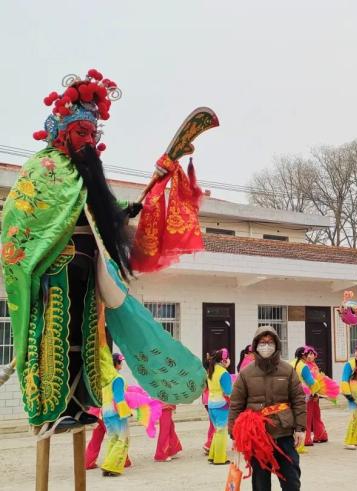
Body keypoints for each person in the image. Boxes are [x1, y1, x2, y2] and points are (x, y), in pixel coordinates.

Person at [0, 68, 205, 434]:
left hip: (90, 266)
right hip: (54, 266)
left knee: (87, 335)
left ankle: (81, 405)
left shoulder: (86, 174)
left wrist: (121, 215)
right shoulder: (42, 168)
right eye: (82, 133)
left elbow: (96, 217)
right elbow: (25, 224)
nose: (88, 141)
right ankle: (52, 408)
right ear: (62, 133)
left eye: (93, 135)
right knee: (55, 333)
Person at [229, 326, 306, 491]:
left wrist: (300, 427)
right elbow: (236, 404)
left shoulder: (287, 370)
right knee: (260, 484)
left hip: (284, 434)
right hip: (258, 437)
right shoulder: (246, 373)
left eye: (270, 342)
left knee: (292, 480)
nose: (266, 346)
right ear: (255, 345)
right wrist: (234, 434)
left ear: (276, 345)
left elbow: (298, 399)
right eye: (262, 343)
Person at [85, 353, 132, 470]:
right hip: (111, 412)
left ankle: (87, 462)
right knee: (118, 438)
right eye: (120, 362)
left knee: (96, 438)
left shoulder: (101, 377)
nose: (121, 364)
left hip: (98, 412)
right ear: (115, 364)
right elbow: (119, 397)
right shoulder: (117, 378)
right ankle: (122, 461)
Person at [294, 346, 328, 447]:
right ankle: (306, 439)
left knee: (315, 415)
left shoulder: (294, 364)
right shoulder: (304, 366)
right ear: (303, 356)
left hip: (297, 394)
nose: (309, 356)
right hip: (308, 394)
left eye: (312, 354)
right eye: (307, 354)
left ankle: (320, 435)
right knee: (307, 418)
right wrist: (316, 392)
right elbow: (311, 382)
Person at [207, 348, 233, 465]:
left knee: (217, 431)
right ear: (223, 360)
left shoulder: (211, 371)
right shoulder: (224, 373)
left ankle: (212, 456)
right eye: (227, 358)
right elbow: (228, 391)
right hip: (222, 405)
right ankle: (220, 458)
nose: (228, 360)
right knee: (221, 432)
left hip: (211, 404)